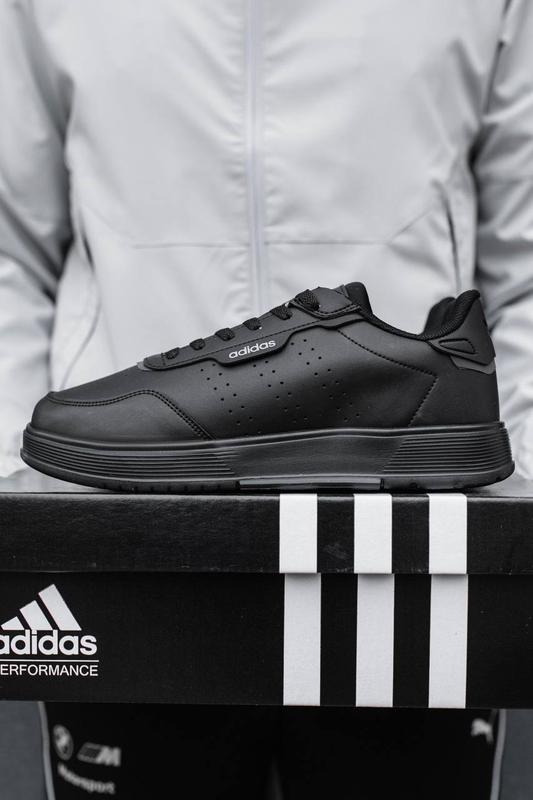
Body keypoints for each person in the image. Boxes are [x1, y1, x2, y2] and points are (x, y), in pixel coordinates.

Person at [1, 1, 532, 797]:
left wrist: (517, 521)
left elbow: (524, 263)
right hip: (127, 533)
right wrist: (20, 498)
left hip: (414, 543)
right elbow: (10, 242)